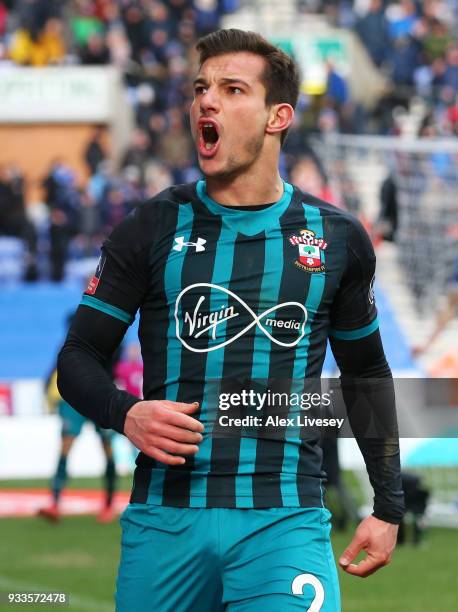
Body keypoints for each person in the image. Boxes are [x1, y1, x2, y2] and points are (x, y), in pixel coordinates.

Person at [58, 29, 404, 611]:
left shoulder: (336, 238)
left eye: (231, 88)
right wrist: (128, 414)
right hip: (164, 520)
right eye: (201, 88)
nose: (206, 102)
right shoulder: (151, 226)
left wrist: (388, 505)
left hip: (284, 521)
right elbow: (77, 358)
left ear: (278, 116)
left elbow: (366, 372)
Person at [37, 367, 118, 523]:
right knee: (66, 446)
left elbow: (114, 363)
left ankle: (109, 504)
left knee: (107, 447)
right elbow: (62, 362)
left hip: (100, 394)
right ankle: (54, 503)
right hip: (73, 396)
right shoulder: (70, 345)